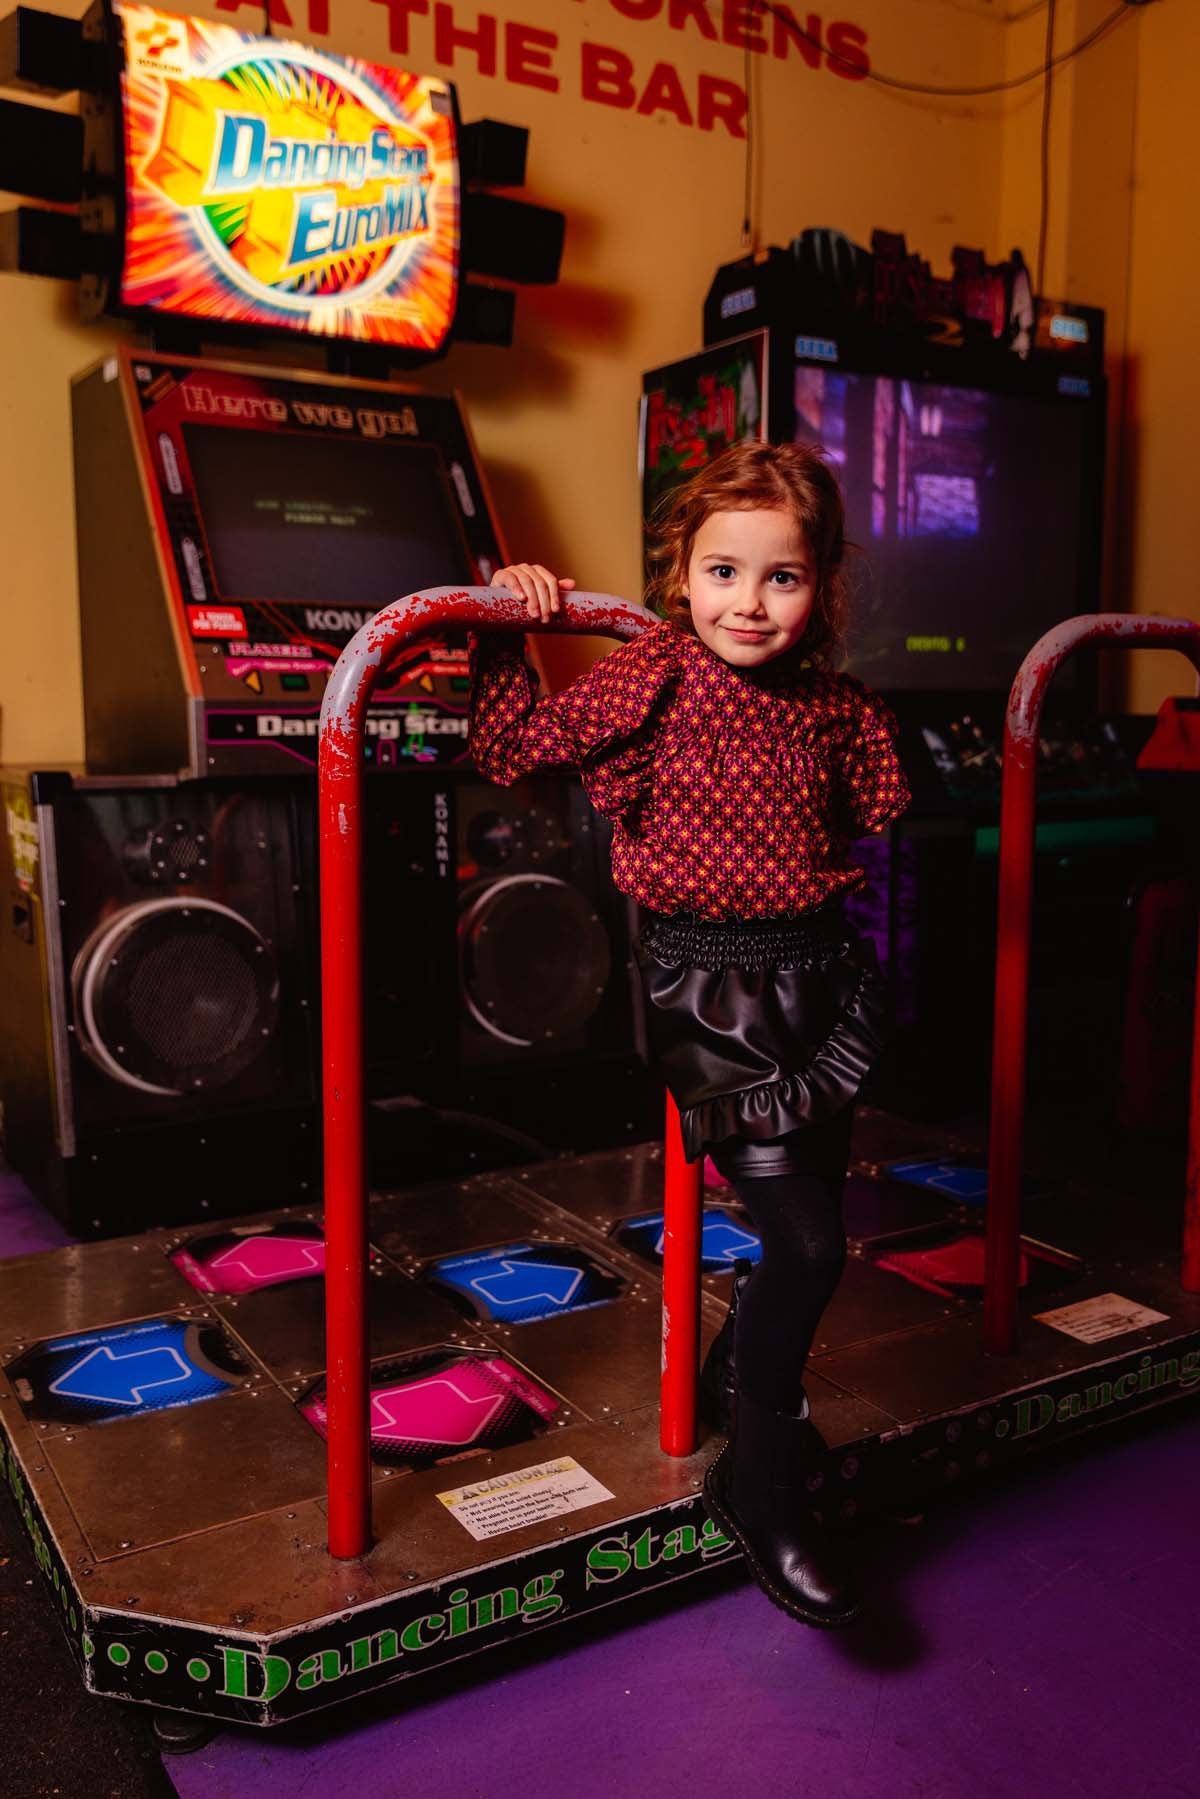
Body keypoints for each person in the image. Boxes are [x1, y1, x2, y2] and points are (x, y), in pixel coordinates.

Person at [466, 441, 911, 1627]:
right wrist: (508, 626)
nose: (750, 603)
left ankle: (738, 1384)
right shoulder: (654, 673)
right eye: (724, 571)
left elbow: (877, 824)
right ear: (679, 571)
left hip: (823, 982)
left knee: (812, 1235)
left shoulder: (839, 706)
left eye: (783, 577)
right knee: (810, 1243)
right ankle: (761, 1481)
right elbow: (512, 753)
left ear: (824, 586)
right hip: (710, 995)